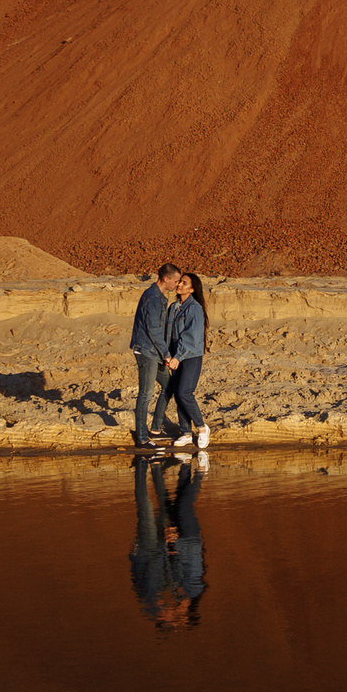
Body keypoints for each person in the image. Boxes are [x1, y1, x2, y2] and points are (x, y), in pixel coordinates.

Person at [128, 454, 206, 628]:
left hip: (148, 549)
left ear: (163, 617)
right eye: (180, 618)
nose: (176, 615)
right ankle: (156, 466)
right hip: (162, 547)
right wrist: (169, 544)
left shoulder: (152, 599)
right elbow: (181, 564)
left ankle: (142, 465)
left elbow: (145, 570)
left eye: (174, 619)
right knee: (164, 509)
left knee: (146, 508)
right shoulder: (183, 592)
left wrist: (135, 553)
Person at [149, 268, 211, 450]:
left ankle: (201, 428)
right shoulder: (174, 307)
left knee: (185, 392)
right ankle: (185, 432)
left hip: (190, 356)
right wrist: (167, 355)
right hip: (175, 356)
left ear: (192, 290)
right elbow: (169, 334)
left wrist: (178, 356)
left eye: (184, 283)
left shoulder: (195, 309)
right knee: (177, 392)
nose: (180, 284)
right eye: (180, 281)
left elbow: (190, 337)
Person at [127, 262, 186, 448]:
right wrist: (167, 355)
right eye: (175, 281)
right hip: (147, 351)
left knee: (169, 387)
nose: (177, 285)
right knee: (146, 393)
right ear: (166, 279)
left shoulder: (157, 296)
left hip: (156, 352)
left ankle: (155, 428)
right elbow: (153, 330)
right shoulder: (152, 298)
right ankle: (142, 438)